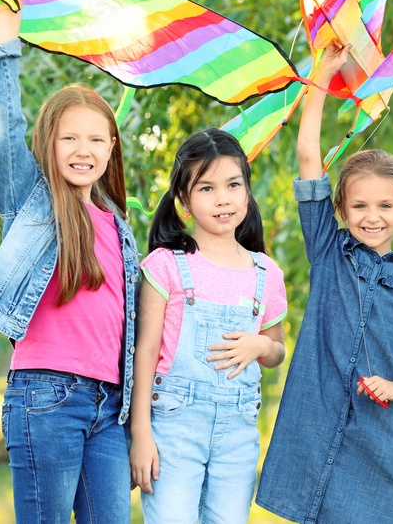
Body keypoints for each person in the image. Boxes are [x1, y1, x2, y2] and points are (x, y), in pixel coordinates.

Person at [0, 0, 140, 522]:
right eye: (70, 139)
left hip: (110, 408)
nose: (83, 151)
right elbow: (0, 133)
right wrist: (6, 37)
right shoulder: (32, 204)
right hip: (46, 398)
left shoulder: (120, 228)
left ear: (112, 149)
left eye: (96, 140)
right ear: (48, 142)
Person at [255, 40, 393, 524]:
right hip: (319, 428)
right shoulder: (328, 254)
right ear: (341, 210)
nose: (372, 217)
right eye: (360, 206)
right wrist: (323, 74)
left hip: (386, 446)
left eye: (385, 206)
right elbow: (307, 158)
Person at [128, 127, 287, 523]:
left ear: (247, 192)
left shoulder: (266, 272)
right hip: (173, 428)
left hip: (237, 433)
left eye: (233, 184)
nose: (222, 199)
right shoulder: (165, 265)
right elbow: (144, 352)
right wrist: (141, 434)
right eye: (206, 188)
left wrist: (260, 347)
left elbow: (277, 351)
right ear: (183, 199)